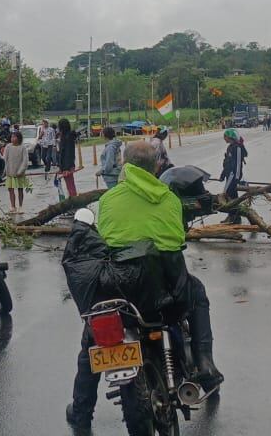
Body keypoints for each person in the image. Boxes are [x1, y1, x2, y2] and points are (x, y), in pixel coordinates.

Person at [66, 140, 223, 431]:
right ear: (156, 167)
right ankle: (205, 363)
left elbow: (107, 240)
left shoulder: (109, 200)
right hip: (166, 293)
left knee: (91, 341)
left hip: (123, 290)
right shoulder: (169, 198)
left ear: (124, 165)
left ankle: (81, 413)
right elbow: (176, 241)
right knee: (198, 292)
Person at [218, 129, 247, 224]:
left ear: (230, 137)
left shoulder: (238, 147)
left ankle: (235, 216)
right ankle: (232, 216)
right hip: (228, 175)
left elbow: (238, 164)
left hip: (233, 176)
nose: (224, 138)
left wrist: (237, 178)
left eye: (225, 136)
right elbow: (226, 163)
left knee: (229, 195)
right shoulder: (230, 147)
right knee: (230, 195)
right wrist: (222, 175)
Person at [2, 129, 32, 213]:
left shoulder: (23, 148)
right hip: (10, 173)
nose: (12, 138)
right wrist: (3, 170)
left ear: (19, 138)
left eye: (14, 137)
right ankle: (12, 206)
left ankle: (20, 206)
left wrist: (20, 171)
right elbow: (4, 158)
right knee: (10, 189)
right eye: (11, 137)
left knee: (20, 190)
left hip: (20, 174)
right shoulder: (8, 147)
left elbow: (25, 161)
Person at [56, 118, 79, 201]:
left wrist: (66, 168)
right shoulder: (64, 136)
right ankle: (72, 200)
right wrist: (61, 167)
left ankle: (74, 201)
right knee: (69, 185)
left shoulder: (68, 137)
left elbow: (68, 154)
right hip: (65, 166)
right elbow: (62, 154)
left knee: (70, 185)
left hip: (68, 166)